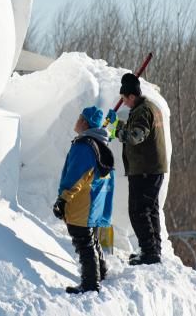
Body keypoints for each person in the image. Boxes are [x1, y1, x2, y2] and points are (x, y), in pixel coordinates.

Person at [107, 72, 168, 265]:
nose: (123, 103)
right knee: (150, 210)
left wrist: (116, 130)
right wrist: (119, 123)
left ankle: (149, 252)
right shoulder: (149, 107)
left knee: (138, 211)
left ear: (131, 96)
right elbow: (139, 129)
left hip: (144, 169)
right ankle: (153, 249)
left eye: (124, 99)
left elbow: (136, 136)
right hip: (153, 168)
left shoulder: (142, 111)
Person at [53, 105, 115, 294]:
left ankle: (90, 284)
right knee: (91, 239)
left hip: (82, 204)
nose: (77, 120)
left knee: (84, 242)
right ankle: (100, 271)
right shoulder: (100, 143)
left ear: (85, 122)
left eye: (80, 117)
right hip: (94, 203)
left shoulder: (83, 147)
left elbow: (76, 177)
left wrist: (63, 200)